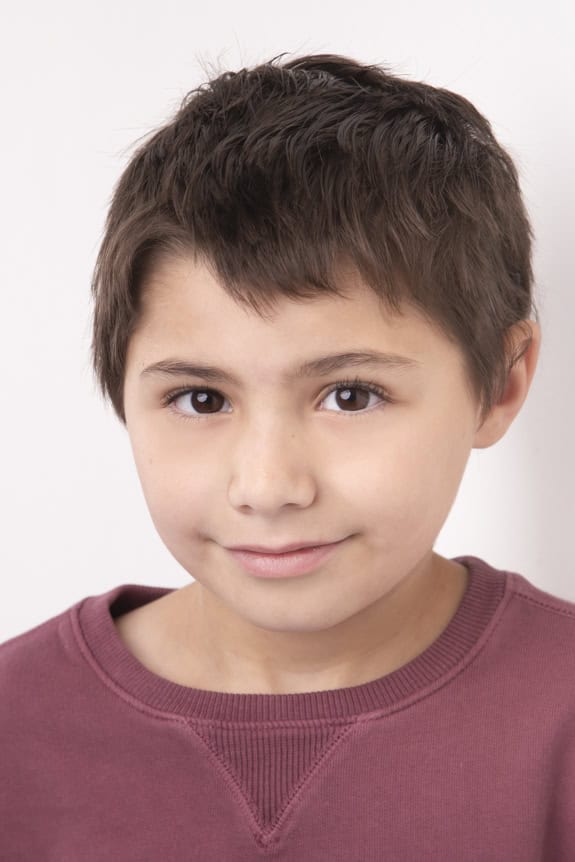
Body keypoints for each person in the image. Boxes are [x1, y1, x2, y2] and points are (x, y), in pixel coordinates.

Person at [1, 51, 572, 861]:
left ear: (502, 384)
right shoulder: (15, 728)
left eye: (351, 395)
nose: (267, 486)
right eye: (201, 399)